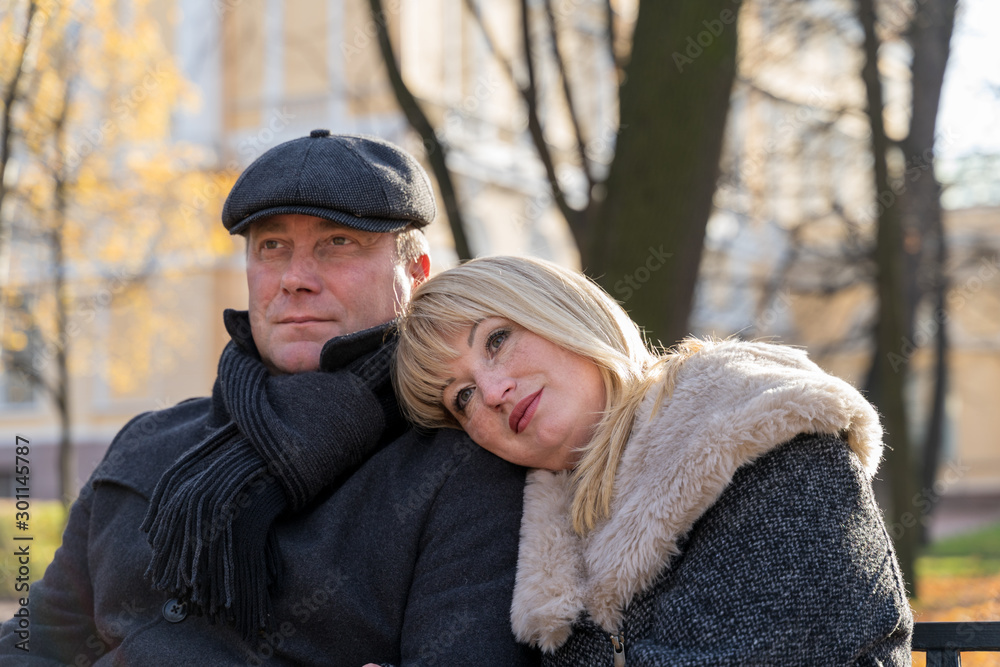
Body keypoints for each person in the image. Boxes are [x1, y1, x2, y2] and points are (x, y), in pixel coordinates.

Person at [0, 132, 540, 666]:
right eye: (272, 246)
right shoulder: (147, 442)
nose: (295, 279)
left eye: (338, 242)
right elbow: (35, 643)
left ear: (416, 276)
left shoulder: (460, 469)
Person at [392, 255, 914, 665]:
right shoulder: (547, 535)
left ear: (560, 310)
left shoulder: (758, 426)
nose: (492, 391)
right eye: (460, 397)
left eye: (497, 340)